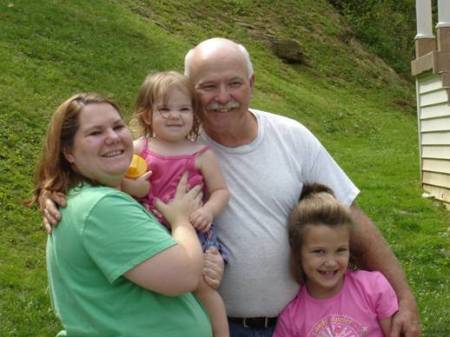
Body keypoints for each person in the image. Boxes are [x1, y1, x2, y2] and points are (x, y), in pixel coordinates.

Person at [42, 38, 421, 337]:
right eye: (208, 86)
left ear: (252, 84)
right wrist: (53, 189)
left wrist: (403, 297)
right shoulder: (172, 138)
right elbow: (102, 154)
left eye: (234, 83)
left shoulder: (292, 136)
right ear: (190, 93)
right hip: (211, 321)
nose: (223, 96)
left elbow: (350, 215)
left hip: (293, 322)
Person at [32, 93, 212, 337]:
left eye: (118, 126)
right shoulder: (100, 207)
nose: (113, 137)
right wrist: (180, 220)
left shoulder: (85, 198)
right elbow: (185, 275)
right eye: (95, 133)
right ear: (69, 152)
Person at [122, 71, 230, 337]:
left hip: (194, 230)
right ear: (148, 115)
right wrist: (132, 187)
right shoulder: (139, 148)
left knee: (204, 287)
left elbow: (221, 191)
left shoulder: (201, 154)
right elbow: (113, 180)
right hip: (149, 228)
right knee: (153, 286)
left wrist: (208, 210)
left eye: (184, 108)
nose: (174, 115)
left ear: (194, 115)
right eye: (164, 109)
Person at [273, 183, 398, 337]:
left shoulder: (373, 288)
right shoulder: (291, 318)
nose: (331, 262)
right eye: (319, 252)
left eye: (340, 250)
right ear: (298, 252)